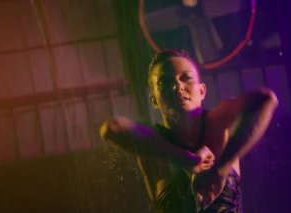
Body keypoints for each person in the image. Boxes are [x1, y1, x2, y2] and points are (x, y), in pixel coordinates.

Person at [100, 49, 278, 212]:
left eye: (185, 78)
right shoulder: (152, 142)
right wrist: (185, 160)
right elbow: (111, 128)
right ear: (154, 99)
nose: (177, 86)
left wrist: (220, 169)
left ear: (202, 91)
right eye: (165, 82)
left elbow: (266, 99)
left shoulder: (216, 122)